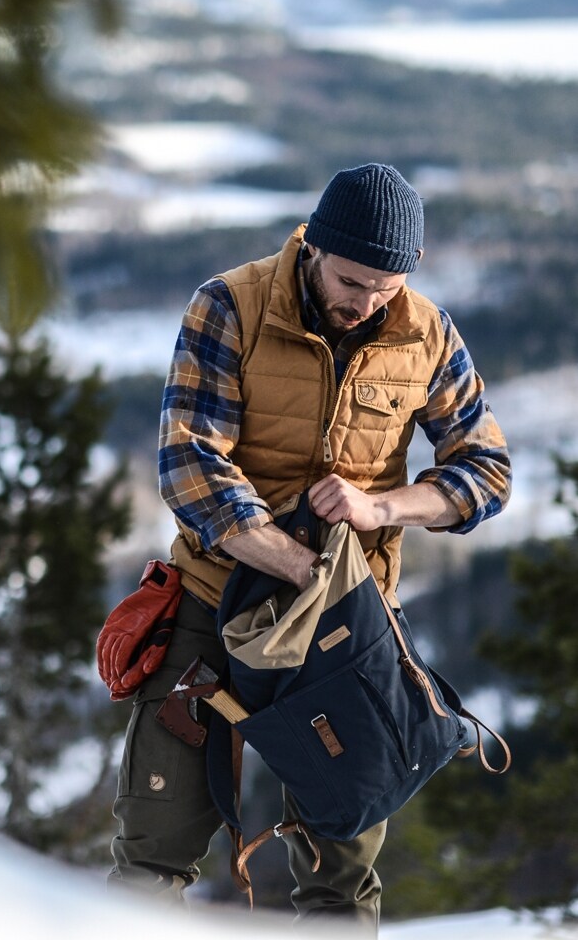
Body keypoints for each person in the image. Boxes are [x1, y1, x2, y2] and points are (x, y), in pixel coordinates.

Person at [107, 163, 512, 931]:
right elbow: (189, 464)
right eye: (351, 280)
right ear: (314, 247)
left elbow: (485, 473)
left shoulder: (428, 333)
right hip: (213, 607)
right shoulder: (229, 304)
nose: (364, 303)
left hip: (348, 635)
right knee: (153, 852)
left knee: (341, 872)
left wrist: (382, 506)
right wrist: (299, 566)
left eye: (384, 288)